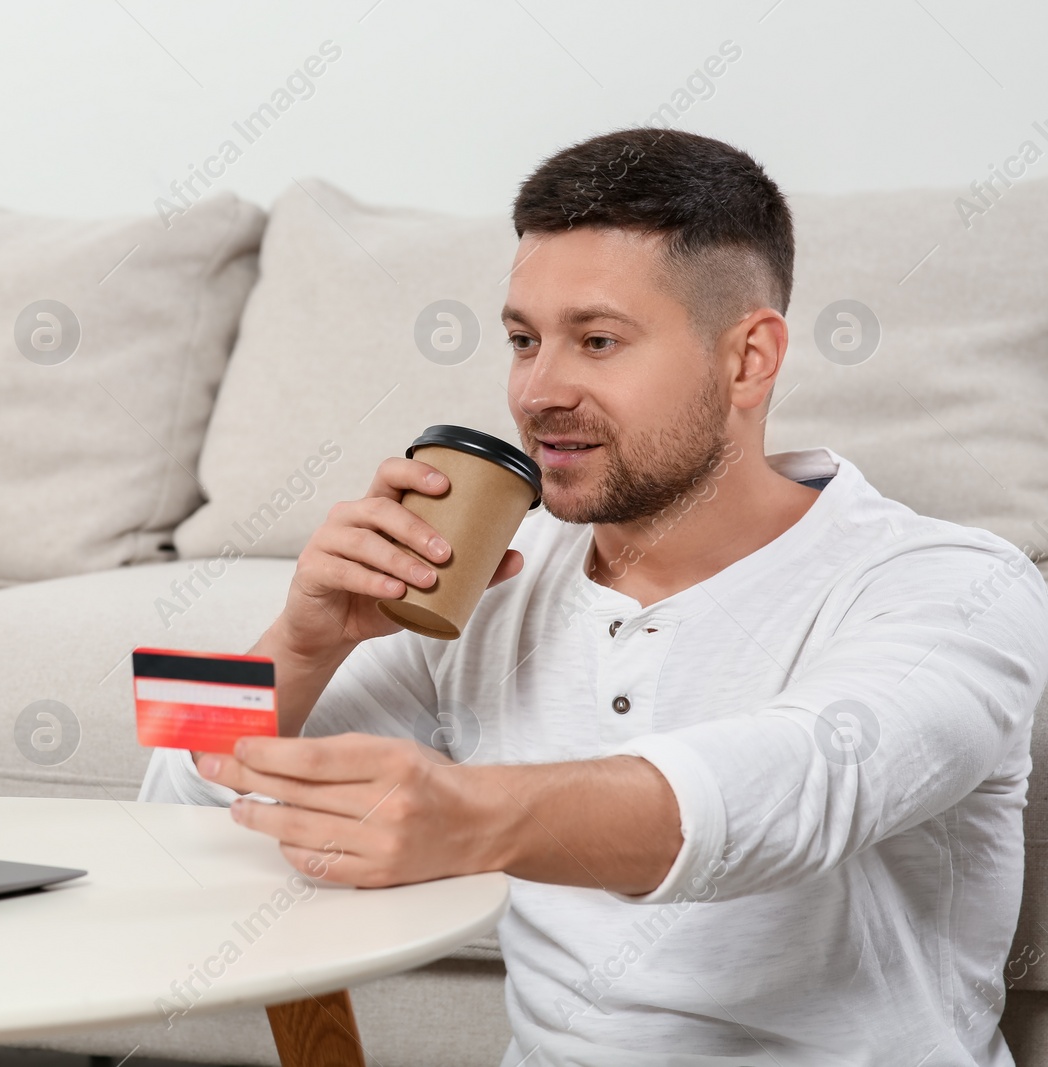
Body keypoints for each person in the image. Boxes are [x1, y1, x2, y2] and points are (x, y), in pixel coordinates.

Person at [138, 127, 1048, 1065]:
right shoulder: (493, 576)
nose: (538, 391)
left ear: (749, 359)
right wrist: (302, 637)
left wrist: (468, 813)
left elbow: (806, 783)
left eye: (598, 341)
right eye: (524, 341)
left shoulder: (958, 582)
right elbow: (172, 810)